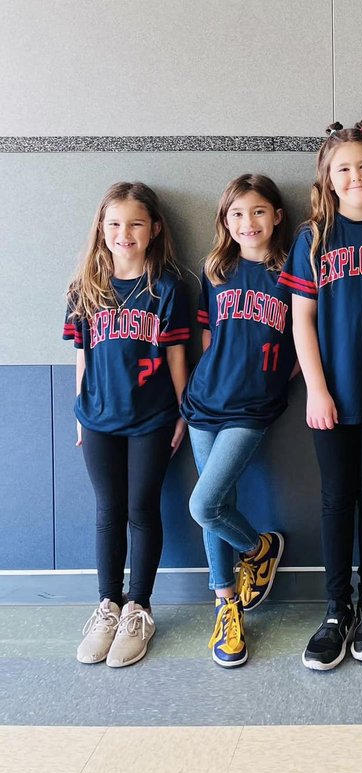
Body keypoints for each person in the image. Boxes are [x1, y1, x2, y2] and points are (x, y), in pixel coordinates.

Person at [280, 121, 362, 670]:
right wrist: (315, 388)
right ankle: (334, 609)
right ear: (328, 179)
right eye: (343, 168)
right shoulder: (313, 238)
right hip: (330, 395)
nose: (355, 175)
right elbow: (301, 319)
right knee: (336, 500)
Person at [65, 182, 189, 667]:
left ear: (154, 228)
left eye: (135, 223)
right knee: (107, 511)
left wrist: (182, 412)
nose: (124, 232)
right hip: (97, 419)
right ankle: (107, 606)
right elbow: (81, 355)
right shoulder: (85, 288)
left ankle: (140, 607)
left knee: (142, 509)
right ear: (102, 228)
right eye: (114, 223)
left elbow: (178, 355)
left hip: (152, 419)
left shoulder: (167, 289)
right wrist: (79, 411)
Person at [182, 174, 296, 668]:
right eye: (236, 214)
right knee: (217, 501)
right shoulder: (217, 270)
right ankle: (227, 605)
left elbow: (305, 342)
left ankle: (260, 546)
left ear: (276, 216)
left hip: (252, 408)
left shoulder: (293, 270)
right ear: (224, 221)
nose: (247, 223)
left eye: (257, 212)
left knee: (204, 504)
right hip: (205, 401)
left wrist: (278, 382)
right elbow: (209, 341)